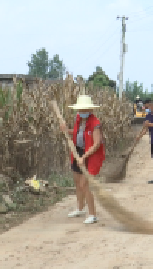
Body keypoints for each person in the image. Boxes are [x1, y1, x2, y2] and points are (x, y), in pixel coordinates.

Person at [60, 94, 105, 224]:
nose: (83, 112)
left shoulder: (95, 124)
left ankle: (93, 214)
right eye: (81, 110)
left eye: (85, 110)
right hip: (77, 152)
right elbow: (77, 134)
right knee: (77, 183)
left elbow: (96, 144)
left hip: (91, 155)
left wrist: (84, 157)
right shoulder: (79, 119)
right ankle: (80, 208)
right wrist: (65, 130)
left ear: (90, 110)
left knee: (84, 184)